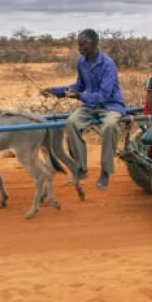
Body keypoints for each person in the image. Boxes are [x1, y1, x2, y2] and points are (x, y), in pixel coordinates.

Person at [41, 29, 125, 191]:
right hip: (90, 106)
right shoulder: (82, 62)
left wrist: (80, 97)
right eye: (78, 44)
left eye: (82, 44)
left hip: (111, 105)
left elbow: (104, 95)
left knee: (109, 126)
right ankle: (81, 168)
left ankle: (105, 172)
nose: (79, 47)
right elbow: (80, 86)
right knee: (71, 122)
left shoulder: (107, 64)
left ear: (93, 44)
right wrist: (55, 91)